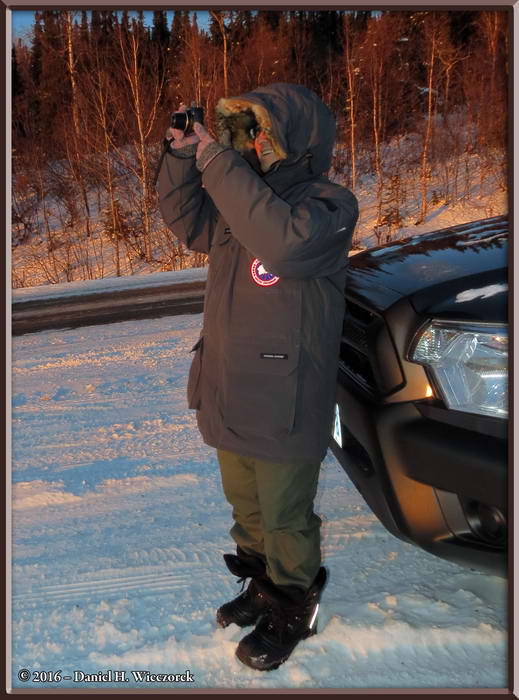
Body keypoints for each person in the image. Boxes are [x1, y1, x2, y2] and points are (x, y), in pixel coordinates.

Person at [157, 83, 358, 671]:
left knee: (284, 515)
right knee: (245, 505)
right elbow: (185, 220)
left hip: (284, 395)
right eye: (247, 132)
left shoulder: (327, 205)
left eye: (263, 131)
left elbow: (281, 242)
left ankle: (293, 602)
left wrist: (220, 164)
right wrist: (181, 158)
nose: (254, 143)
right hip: (231, 383)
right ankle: (262, 584)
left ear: (299, 140)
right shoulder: (239, 195)